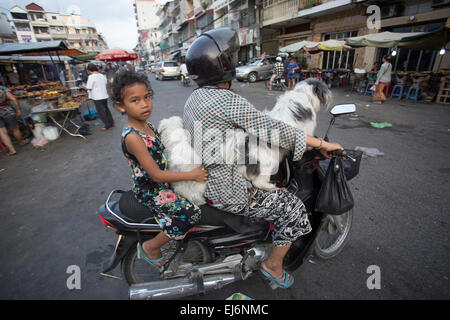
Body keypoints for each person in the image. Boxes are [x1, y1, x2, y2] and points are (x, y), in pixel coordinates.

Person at [184, 27, 343, 288]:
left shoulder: (196, 97)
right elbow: (276, 130)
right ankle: (273, 265)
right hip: (227, 188)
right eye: (230, 58)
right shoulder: (227, 100)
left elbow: (248, 124)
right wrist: (322, 143)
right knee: (294, 211)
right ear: (222, 65)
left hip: (205, 176)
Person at [111, 70, 206, 266]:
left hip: (161, 183)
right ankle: (152, 247)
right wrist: (193, 174)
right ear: (121, 106)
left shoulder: (147, 126)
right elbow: (155, 175)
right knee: (191, 214)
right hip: (151, 190)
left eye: (147, 97)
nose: (144, 104)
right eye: (135, 100)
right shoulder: (133, 137)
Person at [0, 84, 28, 156]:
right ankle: (21, 142)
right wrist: (18, 109)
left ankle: (12, 150)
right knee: (15, 128)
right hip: (7, 110)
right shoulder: (2, 89)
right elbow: (13, 98)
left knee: (2, 132)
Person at [85, 63, 114, 130]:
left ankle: (107, 125)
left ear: (89, 70)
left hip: (97, 97)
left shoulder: (91, 77)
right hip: (104, 95)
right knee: (106, 109)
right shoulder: (102, 75)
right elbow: (106, 83)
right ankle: (111, 122)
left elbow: (89, 87)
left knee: (101, 112)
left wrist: (84, 87)